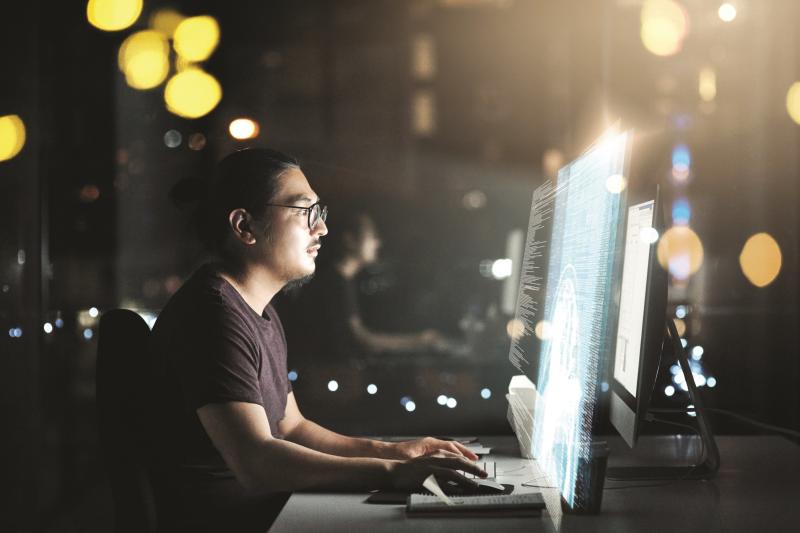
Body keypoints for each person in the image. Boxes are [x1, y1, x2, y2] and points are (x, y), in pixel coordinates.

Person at [150, 149, 485, 532]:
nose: (322, 228)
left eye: (320, 213)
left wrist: (395, 453)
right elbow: (257, 462)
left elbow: (293, 428)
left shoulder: (260, 311)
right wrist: (391, 473)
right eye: (304, 211)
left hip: (272, 512)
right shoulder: (212, 316)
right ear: (245, 226)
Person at [282, 210, 448, 370]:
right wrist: (419, 342)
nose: (378, 243)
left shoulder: (340, 279)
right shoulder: (335, 282)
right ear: (350, 240)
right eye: (372, 236)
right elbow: (360, 339)